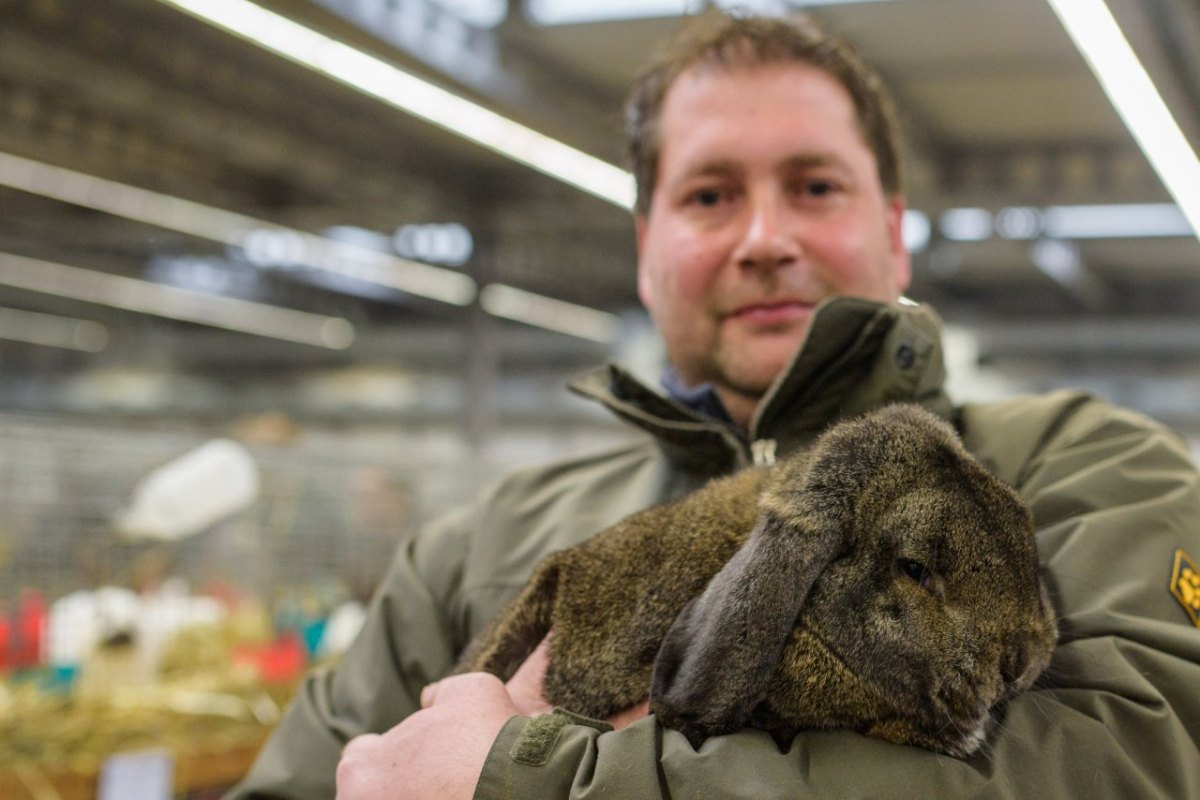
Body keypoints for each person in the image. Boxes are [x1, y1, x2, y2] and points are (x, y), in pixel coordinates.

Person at [229, 11, 1200, 800]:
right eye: (709, 196)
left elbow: (1135, 760)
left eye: (815, 185)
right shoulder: (470, 553)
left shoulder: (1091, 467)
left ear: (894, 233)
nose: (766, 236)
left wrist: (529, 780)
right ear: (646, 249)